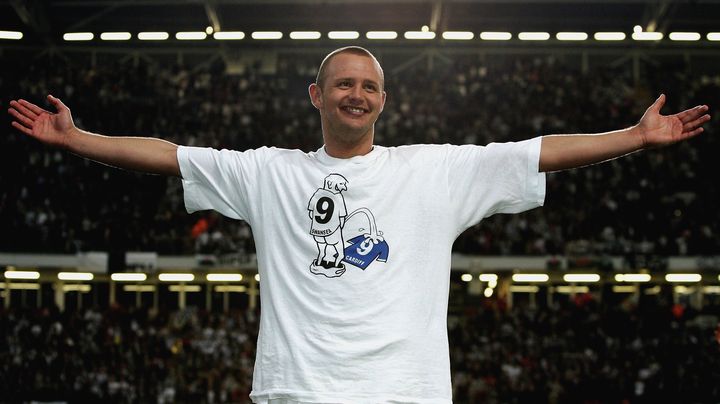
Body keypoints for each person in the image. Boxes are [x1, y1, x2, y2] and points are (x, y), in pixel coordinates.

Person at [8, 46, 711, 403]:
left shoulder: (431, 171)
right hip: (295, 390)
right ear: (317, 94)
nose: (357, 93)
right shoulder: (270, 172)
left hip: (405, 393)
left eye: (370, 85)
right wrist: (80, 139)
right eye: (344, 82)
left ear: (383, 100)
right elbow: (170, 155)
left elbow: (538, 152)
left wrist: (633, 136)